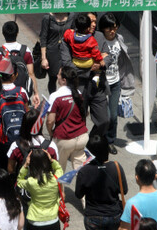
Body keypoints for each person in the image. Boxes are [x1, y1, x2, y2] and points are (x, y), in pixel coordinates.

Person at [76, 134, 128, 230]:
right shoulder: (116, 167)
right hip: (114, 215)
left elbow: (78, 194)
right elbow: (125, 190)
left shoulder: (84, 171)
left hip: (94, 218)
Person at [60, 14, 109, 136]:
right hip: (78, 85)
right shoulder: (69, 38)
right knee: (79, 121)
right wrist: (90, 67)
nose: (93, 24)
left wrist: (101, 64)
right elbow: (67, 63)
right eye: (90, 22)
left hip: (98, 86)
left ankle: (92, 143)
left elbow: (108, 56)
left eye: (95, 22)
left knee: (104, 121)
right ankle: (82, 147)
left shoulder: (99, 36)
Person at [17, 149, 63, 230]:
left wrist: (25, 165)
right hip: (53, 221)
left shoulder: (31, 182)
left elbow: (19, 181)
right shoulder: (54, 178)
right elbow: (59, 169)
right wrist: (52, 160)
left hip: (35, 222)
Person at [96, 13, 135, 153]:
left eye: (115, 27)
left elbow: (122, 59)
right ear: (103, 28)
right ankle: (98, 139)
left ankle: (110, 140)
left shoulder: (120, 39)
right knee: (103, 116)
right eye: (109, 28)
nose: (112, 31)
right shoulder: (98, 40)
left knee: (112, 116)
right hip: (101, 83)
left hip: (115, 82)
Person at [0, 21, 40, 107]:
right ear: (17, 33)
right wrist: (36, 93)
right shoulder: (26, 51)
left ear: (3, 33)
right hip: (22, 93)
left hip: (4, 95)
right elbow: (31, 73)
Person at [0, 60, 29, 170]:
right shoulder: (22, 91)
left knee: (2, 165)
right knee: (20, 165)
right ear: (14, 75)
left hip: (3, 139)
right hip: (21, 137)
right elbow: (27, 113)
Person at [46, 66, 89, 172]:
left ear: (64, 80)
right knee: (81, 170)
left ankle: (60, 189)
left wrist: (50, 132)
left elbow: (50, 120)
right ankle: (84, 188)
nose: (57, 76)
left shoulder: (55, 96)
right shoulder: (78, 93)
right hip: (81, 138)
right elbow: (85, 113)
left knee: (58, 170)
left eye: (59, 74)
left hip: (64, 139)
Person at [7, 108, 59, 175]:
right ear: (40, 126)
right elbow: (55, 168)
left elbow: (10, 169)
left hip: (23, 183)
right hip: (44, 183)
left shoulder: (16, 146)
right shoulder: (51, 146)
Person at [39, 12, 73, 94]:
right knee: (53, 78)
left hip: (67, 52)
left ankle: (67, 100)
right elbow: (43, 38)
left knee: (68, 77)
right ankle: (53, 100)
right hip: (52, 53)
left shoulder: (71, 16)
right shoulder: (47, 18)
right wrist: (44, 58)